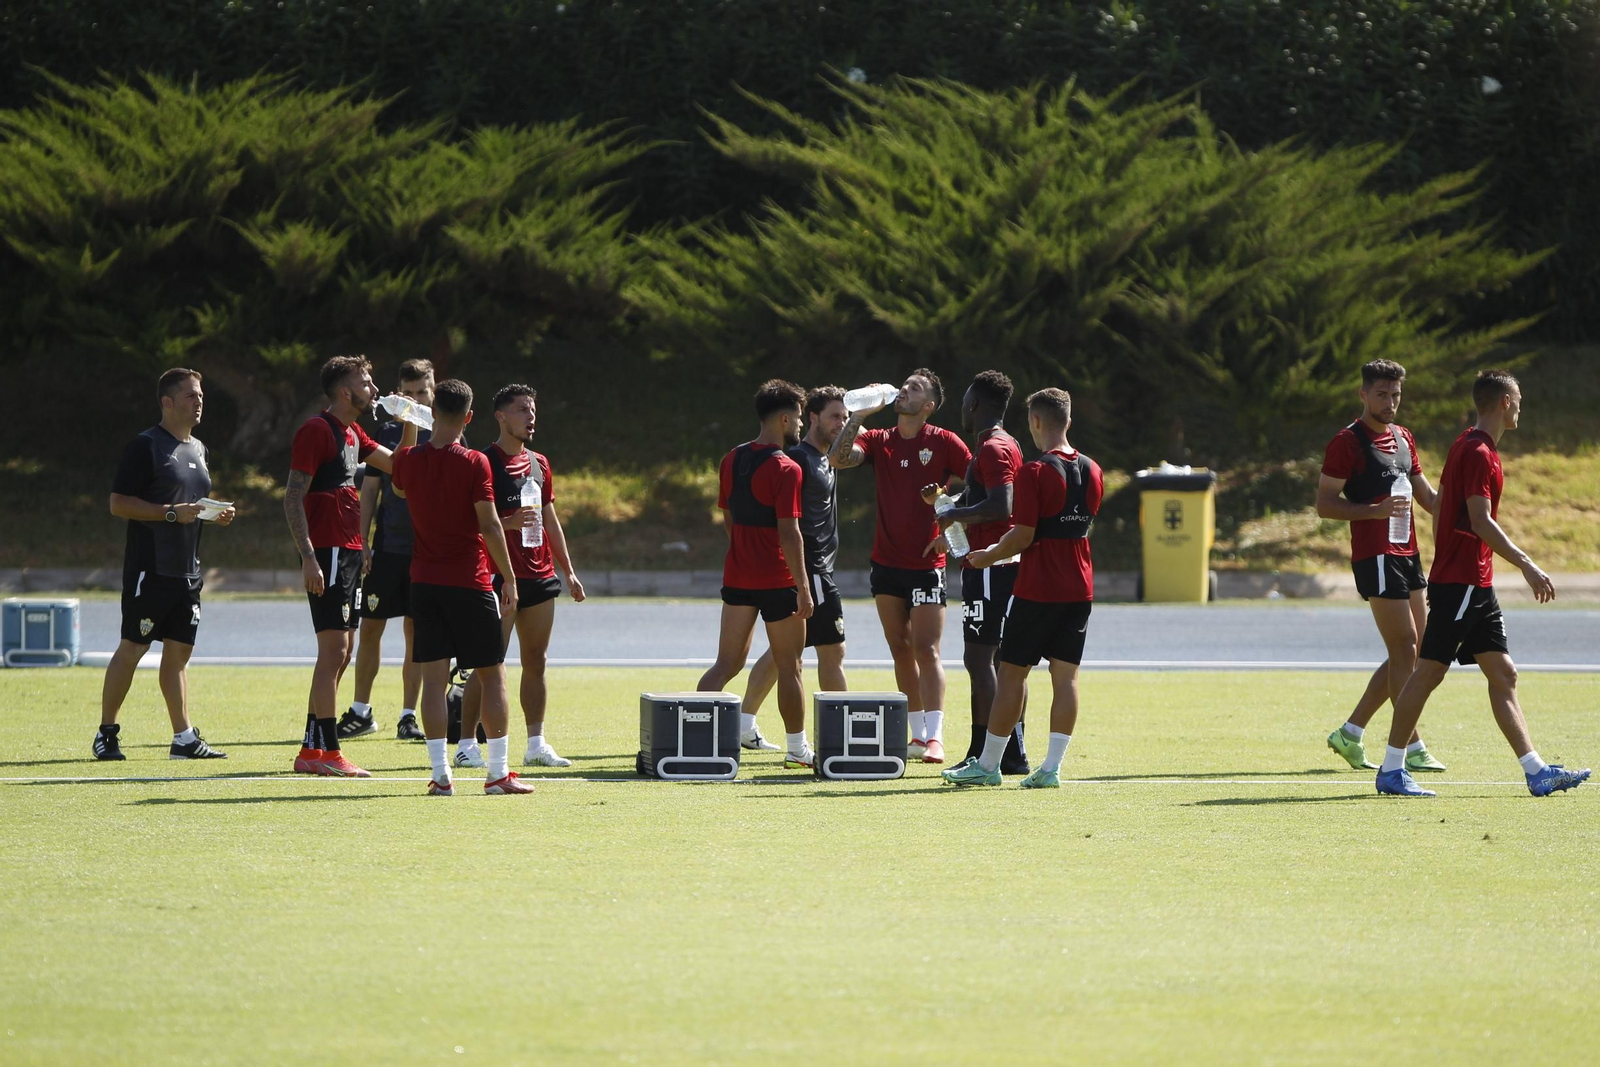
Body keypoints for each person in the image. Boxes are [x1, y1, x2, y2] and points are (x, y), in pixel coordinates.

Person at [1375, 371, 1589, 798]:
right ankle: (1392, 769)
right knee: (1429, 670)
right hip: (1463, 583)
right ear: (1505, 403)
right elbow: (1480, 519)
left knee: (1503, 673)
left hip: (1475, 582)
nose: (1522, 406)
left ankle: (1536, 771)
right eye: (1519, 399)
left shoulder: (1468, 444)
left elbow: (1443, 510)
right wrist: (1526, 564)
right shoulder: (1478, 452)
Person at [943, 388, 1102, 788]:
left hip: (1037, 588)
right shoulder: (1093, 469)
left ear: (1034, 422)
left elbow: (1023, 535)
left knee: (1012, 673)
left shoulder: (1035, 471)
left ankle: (989, 764)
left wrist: (987, 555)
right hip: (1079, 587)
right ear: (1068, 421)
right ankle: (1050, 768)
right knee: (1066, 678)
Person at [389, 379, 531, 796]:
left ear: (433, 412)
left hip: (424, 583)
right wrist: (509, 577)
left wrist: (409, 425)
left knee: (433, 681)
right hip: (468, 581)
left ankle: (440, 774)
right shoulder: (475, 462)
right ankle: (498, 773)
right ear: (469, 417)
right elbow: (488, 524)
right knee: (493, 676)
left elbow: (398, 485)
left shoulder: (410, 460)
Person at [283, 354, 416, 778]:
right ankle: (330, 753)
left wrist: (409, 419)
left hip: (351, 551)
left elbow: (401, 470)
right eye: (366, 381)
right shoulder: (316, 430)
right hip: (328, 551)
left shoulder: (354, 431)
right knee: (335, 650)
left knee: (343, 652)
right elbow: (292, 496)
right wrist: (307, 556)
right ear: (345, 391)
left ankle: (311, 750)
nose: (374, 389)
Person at [829, 369, 971, 763]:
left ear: (927, 406)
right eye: (904, 385)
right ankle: (916, 735)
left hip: (927, 564)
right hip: (886, 563)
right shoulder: (879, 439)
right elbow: (837, 459)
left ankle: (937, 737)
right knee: (900, 648)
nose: (904, 390)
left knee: (928, 650)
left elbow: (982, 480)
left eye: (915, 389)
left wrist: (950, 520)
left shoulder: (943, 442)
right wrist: (858, 414)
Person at [95, 368, 236, 762]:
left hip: (188, 572)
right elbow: (118, 503)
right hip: (150, 568)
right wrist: (172, 514)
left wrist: (213, 513)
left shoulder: (200, 449)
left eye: (201, 395)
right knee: (133, 646)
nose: (199, 401)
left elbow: (190, 504)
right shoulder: (145, 446)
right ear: (167, 402)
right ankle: (107, 733)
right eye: (191, 395)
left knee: (178, 656)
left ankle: (184, 738)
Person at [1316, 359, 1445, 772]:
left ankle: (1351, 732)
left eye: (1396, 395)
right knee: (1405, 646)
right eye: (1382, 394)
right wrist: (1376, 510)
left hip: (1409, 554)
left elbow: (1428, 497)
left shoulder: (1404, 438)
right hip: (1374, 556)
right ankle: (1412, 745)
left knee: (1420, 649)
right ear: (1364, 394)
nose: (1390, 402)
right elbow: (1324, 504)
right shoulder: (1347, 442)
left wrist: (1465, 512)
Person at [456, 383, 587, 770]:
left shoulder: (539, 463)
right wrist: (508, 523)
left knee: (536, 660)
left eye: (532, 410)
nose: (530, 417)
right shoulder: (482, 462)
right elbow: (469, 524)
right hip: (498, 577)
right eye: (521, 410)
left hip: (539, 574)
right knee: (488, 661)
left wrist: (569, 570)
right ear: (500, 416)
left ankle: (536, 744)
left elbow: (549, 519)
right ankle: (466, 744)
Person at [696, 379, 815, 769]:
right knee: (790, 667)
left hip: (738, 578)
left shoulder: (731, 459)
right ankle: (797, 750)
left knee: (725, 664)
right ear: (784, 418)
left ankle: (694, 741)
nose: (799, 425)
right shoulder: (787, 467)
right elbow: (789, 532)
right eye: (797, 417)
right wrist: (803, 587)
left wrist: (745, 552)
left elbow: (728, 516)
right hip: (778, 581)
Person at [926, 370, 1029, 773]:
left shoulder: (992, 448)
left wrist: (954, 513)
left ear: (975, 405)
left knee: (980, 658)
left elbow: (1001, 504)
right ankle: (1011, 753)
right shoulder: (1005, 443)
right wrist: (954, 503)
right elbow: (985, 495)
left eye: (965, 399)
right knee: (1005, 662)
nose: (962, 407)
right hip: (997, 561)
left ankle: (982, 753)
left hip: (991, 564)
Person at [739, 385, 849, 752]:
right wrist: (800, 576)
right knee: (832, 652)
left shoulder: (827, 457)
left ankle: (743, 722)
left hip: (818, 570)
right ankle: (843, 738)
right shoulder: (798, 459)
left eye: (845, 417)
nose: (842, 423)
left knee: (783, 652)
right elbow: (784, 522)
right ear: (811, 417)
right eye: (834, 416)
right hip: (811, 570)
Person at [339, 358, 435, 743]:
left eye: (421, 393)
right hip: (388, 548)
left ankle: (408, 716)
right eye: (406, 394)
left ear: (433, 390)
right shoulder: (384, 432)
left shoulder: (446, 434)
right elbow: (370, 492)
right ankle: (362, 711)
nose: (413, 401)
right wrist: (362, 540)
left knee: (416, 632)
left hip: (426, 552)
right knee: (371, 629)